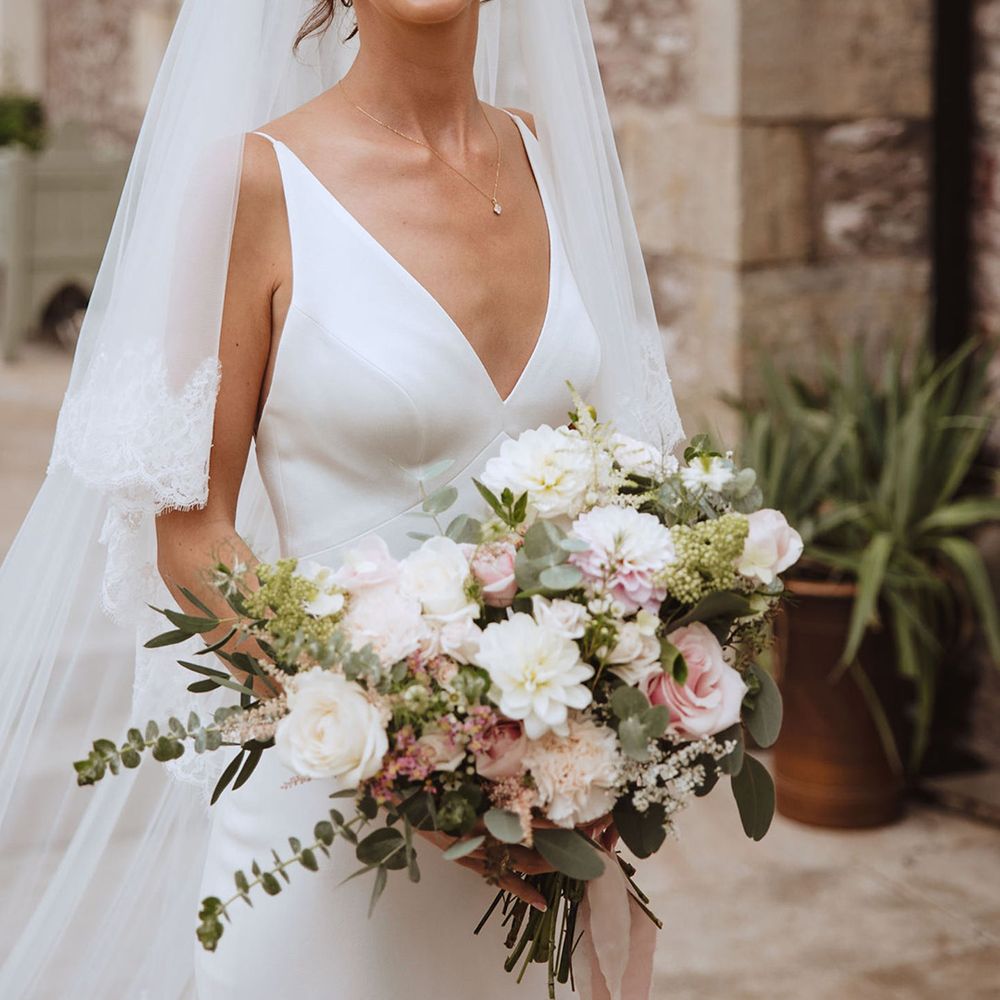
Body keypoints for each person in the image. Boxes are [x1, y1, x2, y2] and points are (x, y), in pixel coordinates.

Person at [0, 2, 683, 997]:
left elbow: (622, 469)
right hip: (330, 810)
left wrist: (623, 704)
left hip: (544, 819)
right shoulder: (251, 184)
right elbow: (190, 534)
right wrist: (425, 765)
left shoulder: (547, 156)